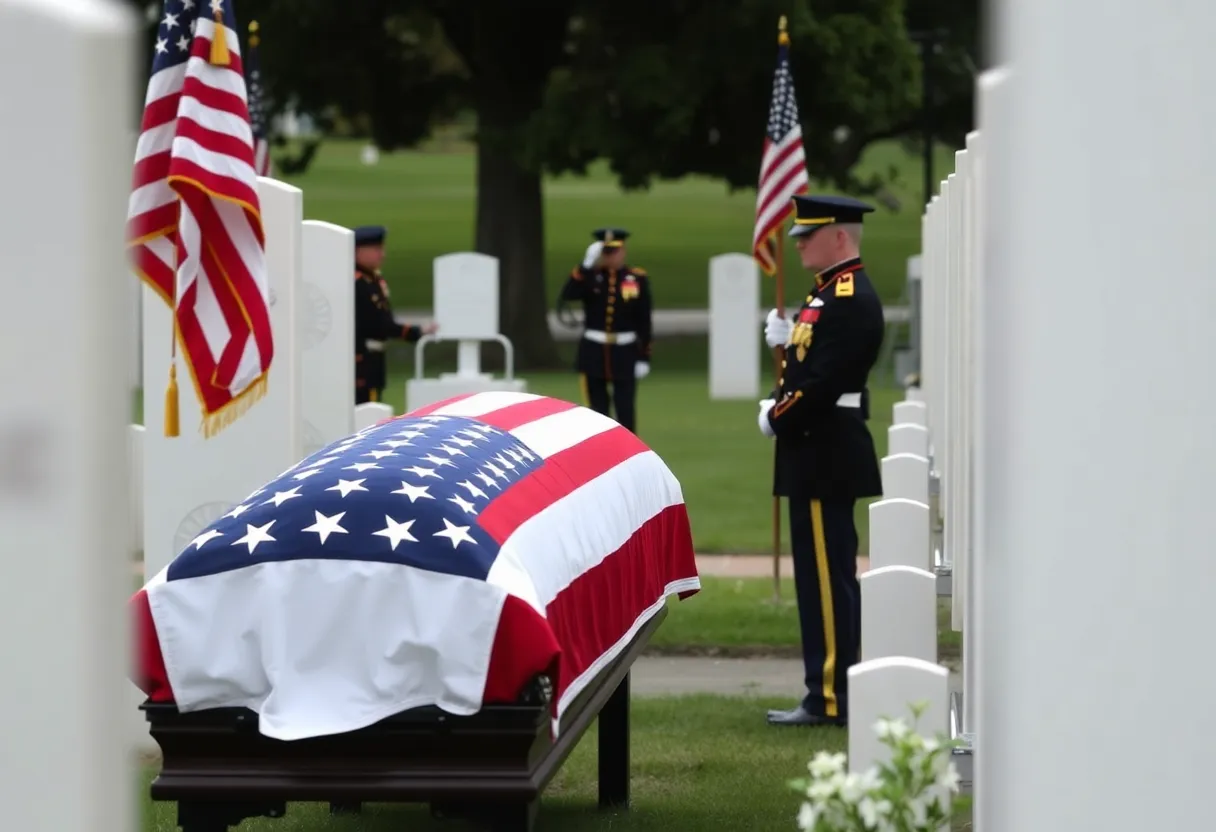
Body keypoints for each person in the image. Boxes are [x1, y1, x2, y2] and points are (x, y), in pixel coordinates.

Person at [756, 194, 885, 727]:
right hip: (818, 446)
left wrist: (776, 416)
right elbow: (815, 363)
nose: (800, 243)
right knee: (819, 577)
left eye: (809, 234)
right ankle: (826, 691)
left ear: (840, 236)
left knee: (827, 582)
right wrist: (792, 341)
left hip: (822, 445)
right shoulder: (829, 293)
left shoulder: (848, 297)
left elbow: (825, 382)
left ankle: (830, 698)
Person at [556, 227, 653, 433]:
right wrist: (584, 266)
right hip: (594, 351)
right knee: (597, 411)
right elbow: (568, 295)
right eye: (606, 252)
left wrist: (644, 356)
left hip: (624, 351)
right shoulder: (590, 277)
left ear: (623, 251)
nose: (610, 257)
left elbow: (644, 320)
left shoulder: (636, 279)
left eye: (614, 251)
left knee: (625, 408)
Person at [352, 225, 437, 404]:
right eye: (376, 250)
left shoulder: (373, 280)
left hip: (373, 362)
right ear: (358, 251)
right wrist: (416, 332)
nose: (382, 255)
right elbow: (379, 325)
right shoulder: (357, 283)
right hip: (361, 363)